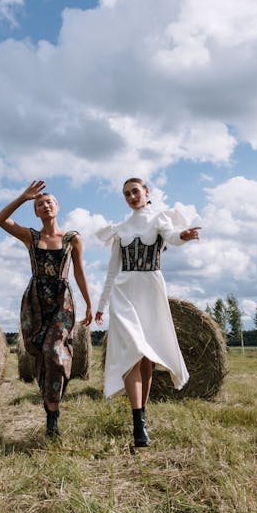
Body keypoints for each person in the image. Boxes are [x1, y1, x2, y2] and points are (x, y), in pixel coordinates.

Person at [95, 178, 200, 448]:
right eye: (126, 194)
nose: (131, 196)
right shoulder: (120, 230)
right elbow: (111, 271)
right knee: (132, 351)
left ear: (146, 192)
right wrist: (100, 306)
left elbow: (173, 238)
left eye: (135, 191)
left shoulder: (158, 220)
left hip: (151, 291)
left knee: (147, 356)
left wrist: (185, 237)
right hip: (124, 292)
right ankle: (137, 421)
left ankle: (142, 414)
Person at [0, 180, 92, 437]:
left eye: (49, 202)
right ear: (36, 211)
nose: (45, 206)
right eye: (39, 204)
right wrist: (22, 198)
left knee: (54, 351)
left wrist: (90, 303)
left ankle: (53, 413)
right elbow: (0, 219)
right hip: (35, 302)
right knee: (40, 354)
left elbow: (80, 273)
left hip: (62, 301)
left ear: (57, 207)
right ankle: (51, 410)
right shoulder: (31, 237)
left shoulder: (73, 238)